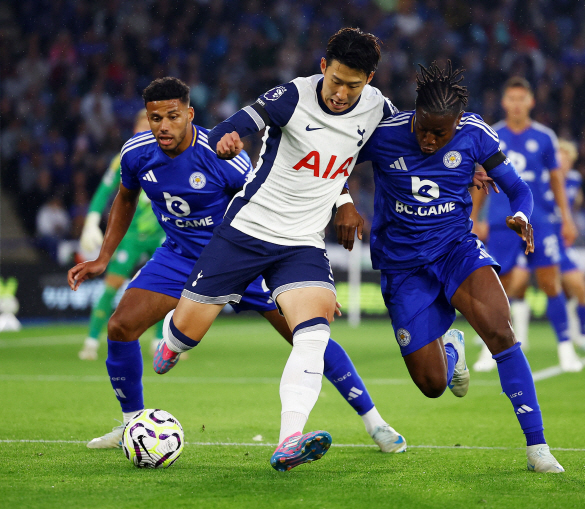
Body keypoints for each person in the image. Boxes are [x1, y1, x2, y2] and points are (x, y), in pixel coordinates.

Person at [67, 76, 405, 456]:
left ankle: (375, 422)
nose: (163, 126)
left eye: (173, 117)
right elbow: (126, 197)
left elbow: (266, 201)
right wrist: (104, 257)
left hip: (242, 258)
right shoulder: (137, 152)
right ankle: (133, 425)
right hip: (178, 256)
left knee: (309, 336)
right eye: (155, 117)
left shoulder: (220, 155)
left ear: (190, 115)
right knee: (121, 325)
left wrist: (303, 279)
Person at [137, 28, 400, 471]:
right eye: (336, 80)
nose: (341, 93)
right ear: (323, 67)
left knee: (314, 335)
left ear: (369, 80)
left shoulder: (378, 109)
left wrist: (464, 170)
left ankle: (288, 438)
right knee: (184, 337)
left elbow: (410, 148)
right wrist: (227, 137)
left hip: (301, 242)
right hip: (246, 232)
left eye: (353, 85)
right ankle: (171, 339)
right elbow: (239, 122)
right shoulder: (293, 96)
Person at [357, 61, 564, 473]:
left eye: (441, 133)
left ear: (457, 124)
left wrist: (521, 216)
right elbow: (334, 167)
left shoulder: (476, 133)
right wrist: (343, 202)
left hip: (457, 250)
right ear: (413, 115)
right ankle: (452, 346)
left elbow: (518, 189)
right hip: (403, 266)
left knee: (501, 333)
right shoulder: (383, 135)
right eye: (424, 130)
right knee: (432, 385)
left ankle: (537, 446)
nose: (431, 140)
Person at [470, 77, 583, 373]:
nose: (517, 104)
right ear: (504, 102)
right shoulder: (491, 134)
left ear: (531, 102)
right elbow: (480, 180)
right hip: (500, 220)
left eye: (522, 99)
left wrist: (567, 218)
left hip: (539, 221)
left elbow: (557, 180)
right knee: (500, 286)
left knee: (549, 283)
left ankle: (565, 348)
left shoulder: (545, 137)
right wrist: (475, 219)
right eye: (512, 99)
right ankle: (489, 349)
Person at [77, 109, 166, 361]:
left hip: (162, 231)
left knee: (167, 287)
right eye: (140, 128)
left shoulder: (171, 152)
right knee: (112, 285)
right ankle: (91, 340)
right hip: (131, 233)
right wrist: (92, 220)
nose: (144, 133)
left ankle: (160, 342)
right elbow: (104, 191)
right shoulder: (123, 157)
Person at [555, 140, 585, 354]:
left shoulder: (574, 180)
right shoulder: (543, 179)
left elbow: (574, 204)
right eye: (558, 158)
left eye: (566, 159)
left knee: (579, 288)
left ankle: (582, 336)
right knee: (513, 285)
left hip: (562, 245)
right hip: (537, 243)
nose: (562, 163)